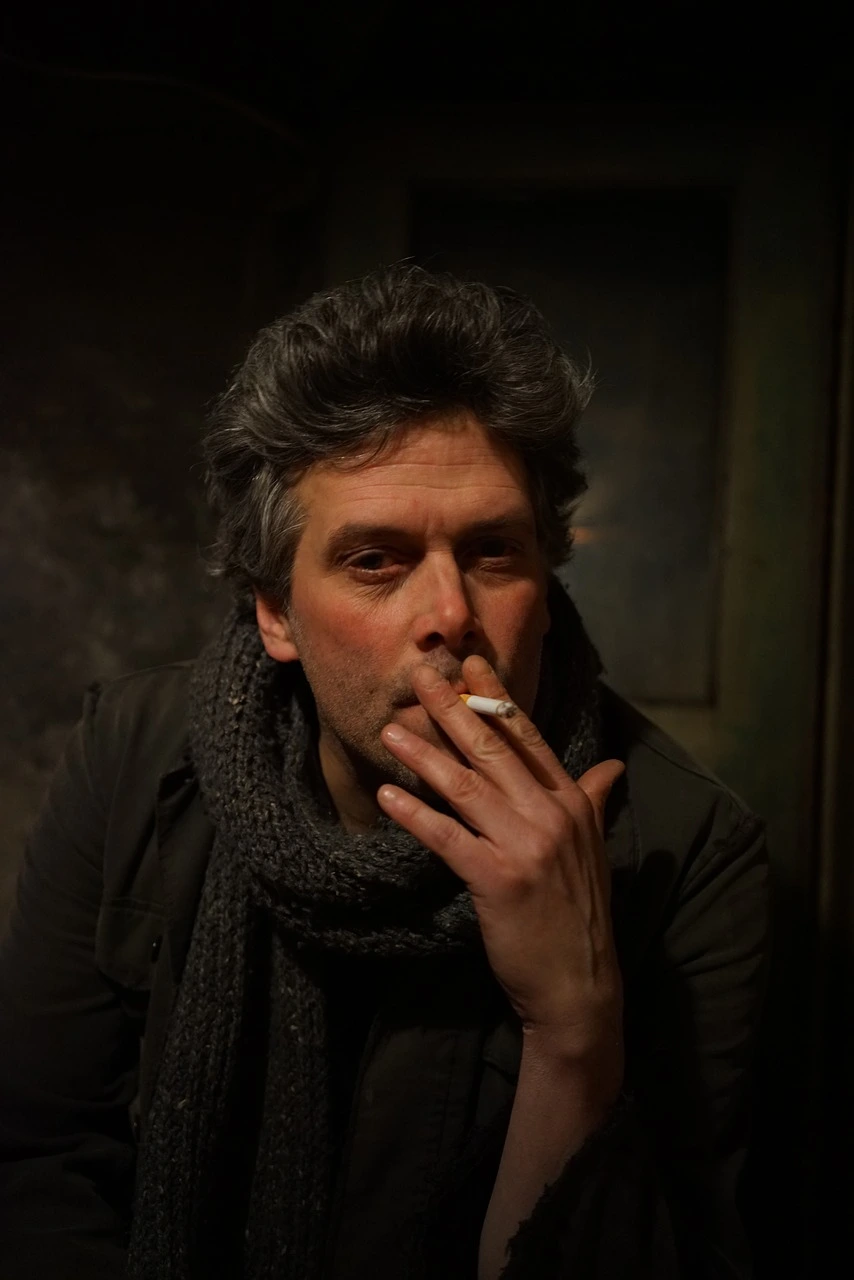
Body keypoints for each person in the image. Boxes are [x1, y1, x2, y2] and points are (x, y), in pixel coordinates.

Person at [0, 265, 769, 1279]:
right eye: (375, 559)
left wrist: (572, 1028)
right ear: (275, 611)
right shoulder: (132, 757)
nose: (449, 613)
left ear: (544, 582)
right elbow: (35, 1163)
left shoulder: (690, 850)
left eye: (493, 551)